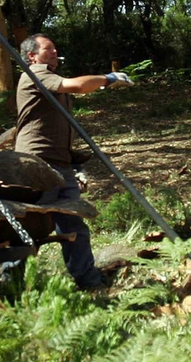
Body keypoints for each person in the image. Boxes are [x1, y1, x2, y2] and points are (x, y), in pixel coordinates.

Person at [13, 33, 131, 289]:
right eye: (48, 49)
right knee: (27, 227)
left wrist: (74, 165)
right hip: (37, 164)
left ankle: (89, 281)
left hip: (60, 164)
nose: (55, 52)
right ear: (32, 56)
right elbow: (77, 86)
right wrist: (108, 79)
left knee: (73, 226)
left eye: (55, 48)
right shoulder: (34, 73)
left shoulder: (51, 79)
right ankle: (11, 285)